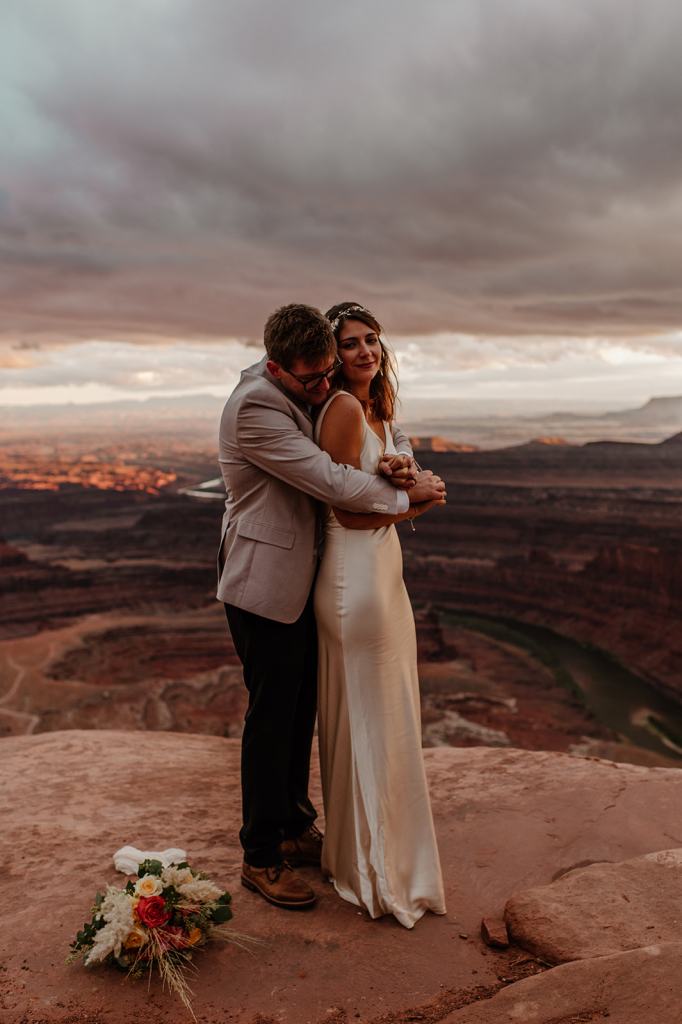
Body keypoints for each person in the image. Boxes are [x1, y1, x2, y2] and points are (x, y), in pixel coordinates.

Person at [217, 303, 447, 910]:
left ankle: (293, 828)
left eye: (328, 373)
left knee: (299, 715)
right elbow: (334, 484)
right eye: (313, 378)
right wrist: (412, 497)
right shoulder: (256, 409)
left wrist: (404, 467)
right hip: (265, 584)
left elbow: (376, 450)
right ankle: (260, 856)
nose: (324, 388)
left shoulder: (315, 391)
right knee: (271, 721)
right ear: (276, 367)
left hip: (309, 575)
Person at [314, 301, 447, 928]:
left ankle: (369, 854)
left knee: (385, 710)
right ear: (330, 355)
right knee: (368, 715)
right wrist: (413, 502)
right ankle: (373, 870)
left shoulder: (378, 406)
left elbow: (386, 495)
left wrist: (412, 490)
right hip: (354, 577)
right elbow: (343, 511)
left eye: (371, 340)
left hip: (383, 570)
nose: (365, 352)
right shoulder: (342, 408)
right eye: (349, 344)